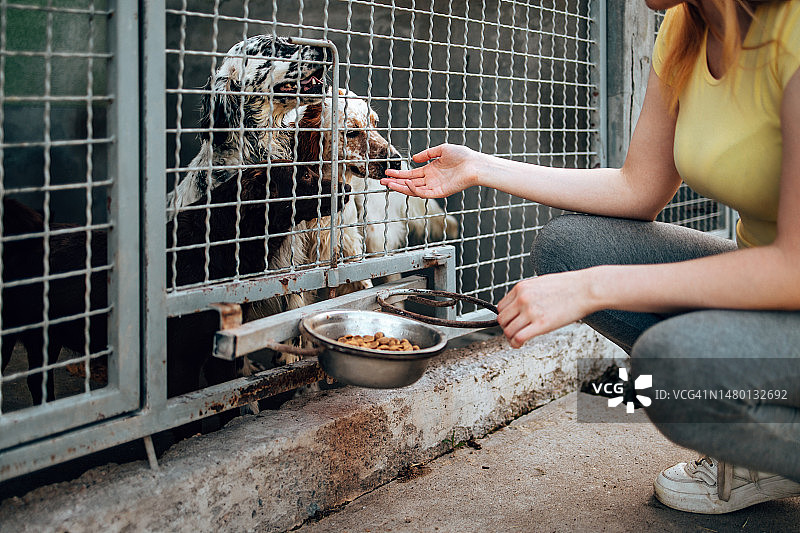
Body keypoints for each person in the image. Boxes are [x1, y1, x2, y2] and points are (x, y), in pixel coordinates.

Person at [381, 0, 800, 515]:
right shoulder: (683, 30)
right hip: (775, 296)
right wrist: (479, 168)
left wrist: (591, 288)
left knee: (667, 368)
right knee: (569, 249)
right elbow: (637, 189)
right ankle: (769, 453)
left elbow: (793, 267)